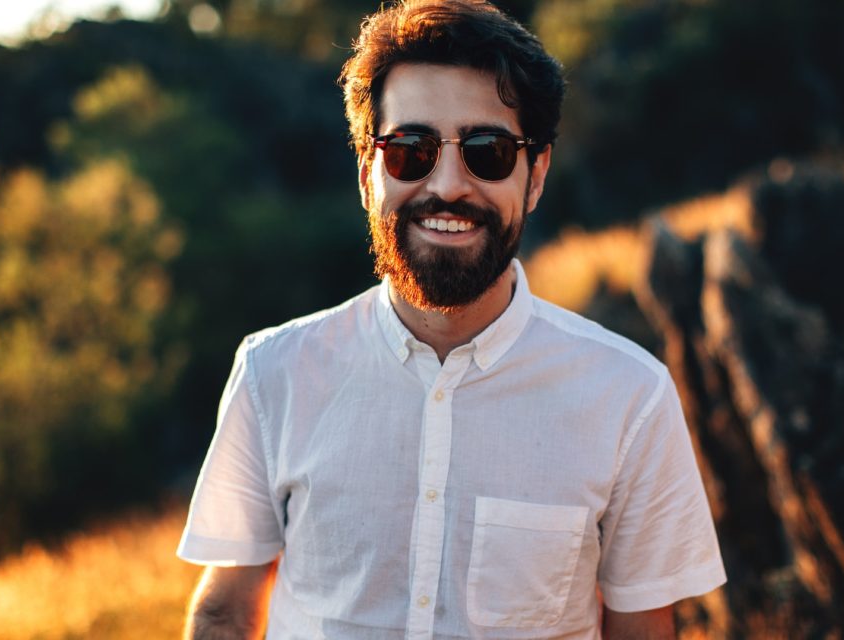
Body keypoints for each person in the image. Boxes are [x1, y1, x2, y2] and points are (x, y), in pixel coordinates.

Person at [177, 1, 726, 638]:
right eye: (410, 150)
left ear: (536, 174)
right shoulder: (274, 375)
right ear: (366, 173)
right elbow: (224, 611)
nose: (448, 185)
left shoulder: (629, 397)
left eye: (487, 151)